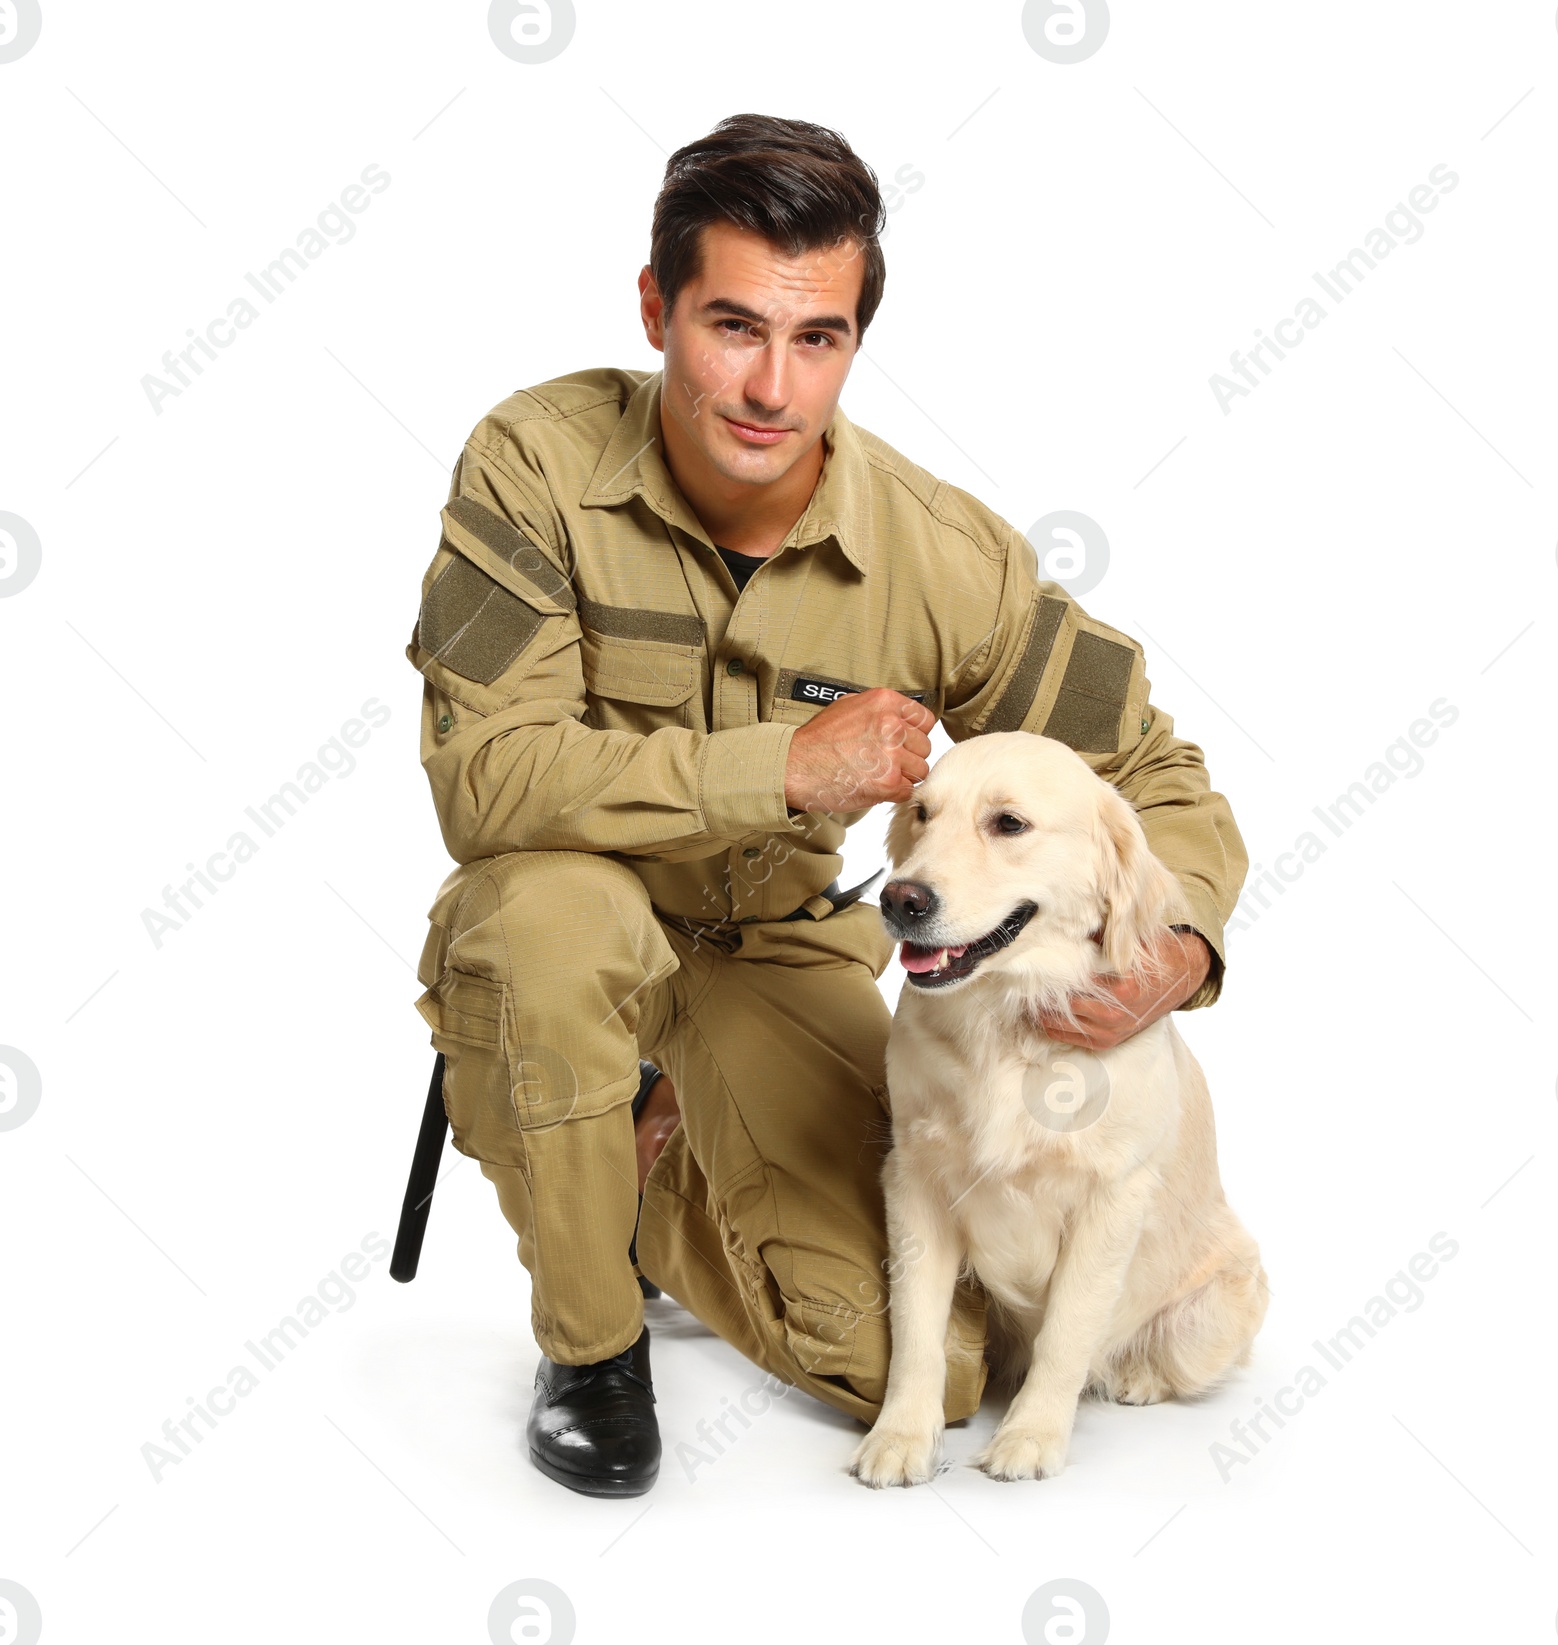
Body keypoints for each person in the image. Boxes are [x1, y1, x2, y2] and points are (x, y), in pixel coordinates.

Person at [407, 114, 1247, 1497]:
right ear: (655, 307)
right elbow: (482, 779)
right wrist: (785, 771)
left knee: (925, 1370)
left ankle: (637, 1191)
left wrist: (1181, 949)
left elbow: (1149, 773)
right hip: (562, 915)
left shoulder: (944, 554)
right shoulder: (534, 462)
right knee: (558, 925)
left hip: (776, 957)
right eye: (732, 325)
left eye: (819, 339)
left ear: (856, 338)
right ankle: (593, 1341)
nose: (770, 385)